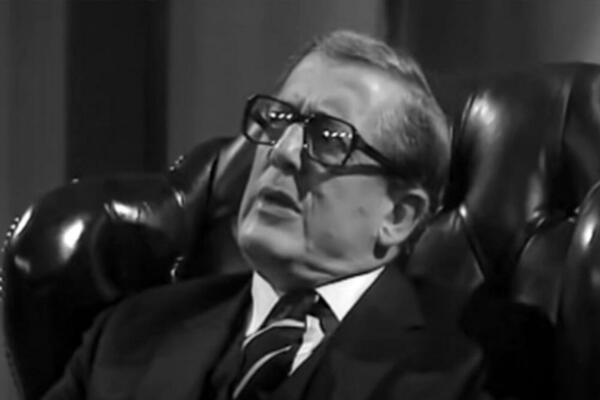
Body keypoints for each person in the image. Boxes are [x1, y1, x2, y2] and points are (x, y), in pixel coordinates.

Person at [43, 30, 488, 400]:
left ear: (399, 216)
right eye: (277, 120)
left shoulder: (476, 359)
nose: (283, 152)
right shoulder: (130, 334)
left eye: (329, 138)